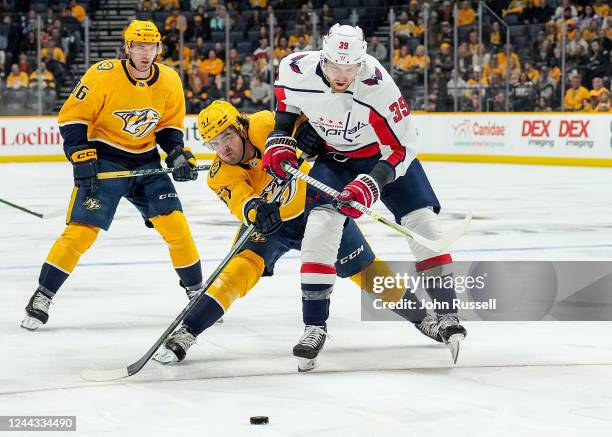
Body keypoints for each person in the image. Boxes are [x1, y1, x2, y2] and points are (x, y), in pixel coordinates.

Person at [153, 100, 442, 371]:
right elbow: (241, 203)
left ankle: (424, 319)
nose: (222, 149)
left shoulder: (265, 125)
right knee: (236, 273)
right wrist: (255, 211)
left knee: (366, 270)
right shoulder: (219, 174)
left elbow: (312, 126)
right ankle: (187, 331)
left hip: (317, 211)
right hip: (272, 226)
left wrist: (310, 132)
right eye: (213, 143)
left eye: (226, 137)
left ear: (241, 127)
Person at [262, 24, 468, 363]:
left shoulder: (378, 85)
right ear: (322, 58)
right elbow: (287, 108)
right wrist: (281, 139)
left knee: (424, 226)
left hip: (381, 158)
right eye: (335, 67)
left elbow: (402, 146)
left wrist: (372, 182)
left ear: (363, 62)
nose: (343, 75)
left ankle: (447, 315)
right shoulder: (294, 68)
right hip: (335, 159)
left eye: (351, 68)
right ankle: (314, 327)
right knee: (320, 228)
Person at [21, 21, 203, 330]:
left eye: (151, 47)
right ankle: (43, 294)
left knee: (177, 227)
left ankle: (197, 293)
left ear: (159, 49)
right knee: (81, 231)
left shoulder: (170, 80)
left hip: (146, 162)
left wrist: (177, 154)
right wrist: (80, 153)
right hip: (106, 158)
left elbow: (169, 127)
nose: (146, 53)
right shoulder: (103, 74)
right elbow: (73, 116)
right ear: (128, 48)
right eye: (139, 46)